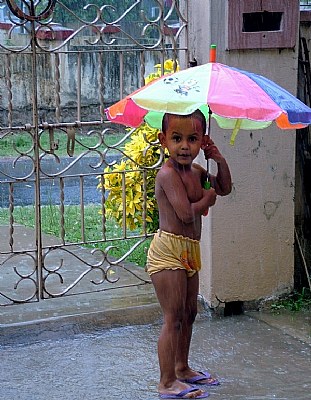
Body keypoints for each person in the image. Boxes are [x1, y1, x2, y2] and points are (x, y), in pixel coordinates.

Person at [146, 109, 232, 399]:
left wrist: (218, 160)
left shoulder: (196, 171)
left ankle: (182, 368)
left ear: (202, 141)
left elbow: (224, 187)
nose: (185, 146)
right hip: (168, 251)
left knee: (189, 312)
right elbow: (184, 214)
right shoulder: (167, 174)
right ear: (164, 140)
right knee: (173, 316)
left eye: (193, 139)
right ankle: (166, 381)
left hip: (189, 251)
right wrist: (208, 199)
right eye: (177, 138)